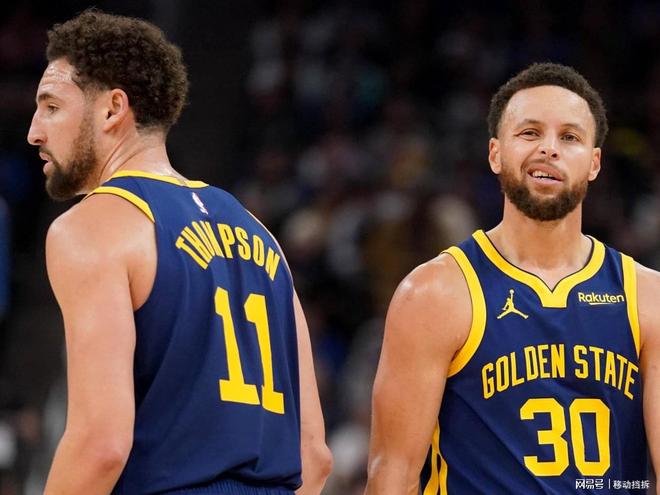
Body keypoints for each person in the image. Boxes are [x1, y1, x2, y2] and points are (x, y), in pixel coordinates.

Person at [27, 9, 332, 495]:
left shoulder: (90, 228)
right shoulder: (261, 234)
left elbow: (100, 445)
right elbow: (313, 455)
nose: (35, 132)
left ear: (112, 109)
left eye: (51, 107)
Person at [364, 62, 660, 494]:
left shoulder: (647, 297)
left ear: (594, 163)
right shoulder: (435, 294)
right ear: (495, 153)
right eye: (529, 132)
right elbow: (393, 474)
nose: (549, 149)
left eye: (570, 137)